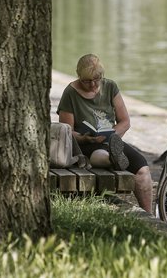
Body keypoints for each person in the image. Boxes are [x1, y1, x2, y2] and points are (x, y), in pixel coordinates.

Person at [57, 54, 153, 214]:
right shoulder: (70, 93)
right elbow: (66, 131)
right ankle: (114, 159)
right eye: (87, 81)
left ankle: (150, 216)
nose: (93, 84)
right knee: (99, 154)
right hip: (84, 144)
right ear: (78, 76)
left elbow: (125, 121)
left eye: (97, 79)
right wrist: (84, 137)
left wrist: (111, 135)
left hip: (110, 140)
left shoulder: (110, 87)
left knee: (142, 169)